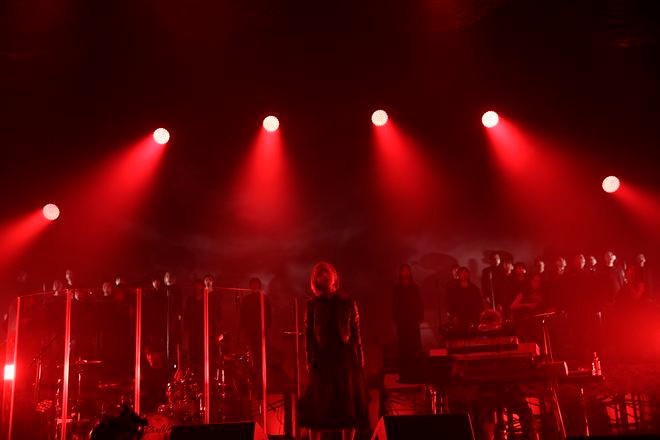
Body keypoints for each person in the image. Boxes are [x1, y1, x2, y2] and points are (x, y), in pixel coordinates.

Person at [299, 262, 369, 440]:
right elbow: (309, 335)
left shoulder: (347, 303)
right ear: (316, 280)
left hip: (344, 358)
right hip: (322, 358)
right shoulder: (313, 304)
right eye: (319, 274)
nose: (323, 276)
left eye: (326, 273)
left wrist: (359, 356)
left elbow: (355, 332)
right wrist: (309, 359)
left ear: (333, 276)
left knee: (348, 405)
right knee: (318, 407)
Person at [391, 264, 423, 375]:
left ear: (410, 272)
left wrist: (420, 315)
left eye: (407, 270)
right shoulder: (396, 288)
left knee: (414, 342)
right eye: (403, 271)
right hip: (402, 319)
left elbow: (418, 301)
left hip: (413, 318)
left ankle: (416, 366)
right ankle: (405, 367)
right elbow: (394, 304)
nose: (405, 273)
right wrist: (395, 317)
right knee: (404, 342)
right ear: (400, 273)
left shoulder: (415, 287)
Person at [239, 277, 272, 369]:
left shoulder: (264, 298)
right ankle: (254, 369)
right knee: (251, 350)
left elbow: (268, 314)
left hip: (262, 329)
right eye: (252, 284)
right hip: (250, 329)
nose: (254, 286)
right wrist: (243, 327)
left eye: (256, 284)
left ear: (259, 285)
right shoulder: (247, 299)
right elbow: (243, 314)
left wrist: (268, 327)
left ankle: (262, 369)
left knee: (263, 350)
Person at [446, 267, 484, 337]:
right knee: (461, 335)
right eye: (461, 273)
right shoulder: (453, 289)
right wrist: (454, 316)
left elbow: (479, 303)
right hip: (459, 317)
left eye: (465, 273)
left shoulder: (474, 288)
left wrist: (479, 314)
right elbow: (450, 304)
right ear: (458, 275)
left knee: (474, 335)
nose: (464, 275)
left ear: (468, 275)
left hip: (473, 316)